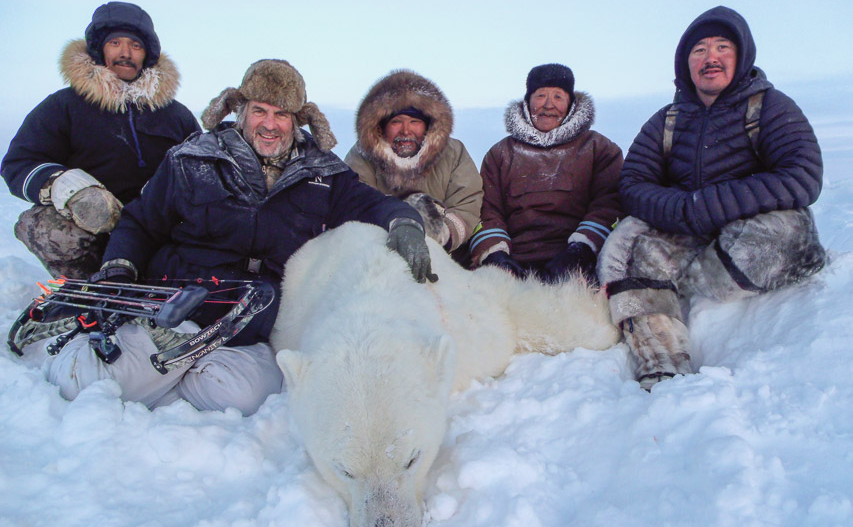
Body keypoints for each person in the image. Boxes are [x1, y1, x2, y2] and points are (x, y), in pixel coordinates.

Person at [43, 59, 434, 416]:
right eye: (260, 111)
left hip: (252, 325)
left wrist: (405, 223)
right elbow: (140, 222)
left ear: (297, 120)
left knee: (237, 398)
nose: (270, 123)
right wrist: (118, 270)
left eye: (281, 114)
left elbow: (373, 205)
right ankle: (130, 360)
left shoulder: (324, 173)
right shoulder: (192, 158)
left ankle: (167, 380)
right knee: (82, 381)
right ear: (240, 111)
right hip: (179, 308)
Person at [597, 6, 825, 390]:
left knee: (788, 228)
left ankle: (694, 286)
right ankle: (661, 365)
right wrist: (683, 210)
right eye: (699, 50)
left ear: (741, 56)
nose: (711, 58)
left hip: (750, 232)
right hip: (687, 230)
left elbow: (803, 176)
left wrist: (713, 203)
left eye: (722, 47)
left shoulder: (770, 107)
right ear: (686, 63)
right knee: (634, 250)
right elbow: (634, 184)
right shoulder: (665, 121)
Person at [1, 1, 199, 279]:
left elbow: (203, 169)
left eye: (136, 46)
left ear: (148, 55)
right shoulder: (64, 105)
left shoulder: (176, 114)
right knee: (42, 225)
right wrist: (67, 189)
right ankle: (87, 289)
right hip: (92, 225)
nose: (125, 53)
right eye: (115, 43)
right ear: (99, 49)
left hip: (159, 226)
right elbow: (18, 163)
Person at [469, 63, 623, 283]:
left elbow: (610, 204)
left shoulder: (599, 148)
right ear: (527, 101)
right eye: (540, 95)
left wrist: (582, 250)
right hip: (515, 262)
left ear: (570, 104)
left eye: (558, 97)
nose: (548, 105)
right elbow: (487, 210)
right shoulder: (500, 154)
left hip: (580, 262)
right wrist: (496, 254)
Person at [344, 70, 483, 255]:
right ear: (381, 126)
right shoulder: (361, 156)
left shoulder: (454, 153)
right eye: (396, 121)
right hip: (382, 252)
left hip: (449, 257)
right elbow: (355, 205)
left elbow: (467, 203)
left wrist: (442, 234)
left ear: (428, 125)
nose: (406, 130)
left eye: (414, 121)